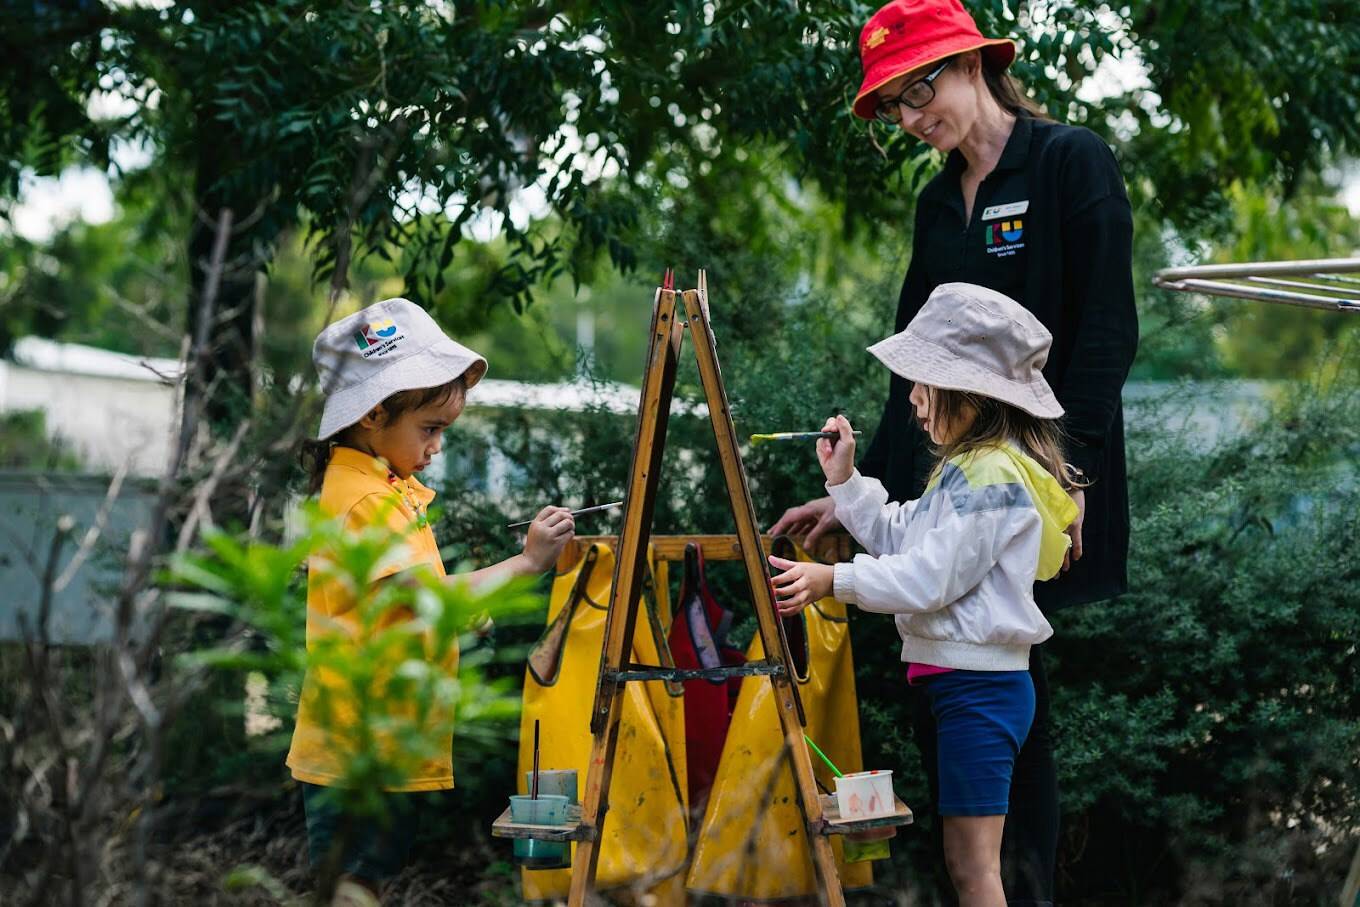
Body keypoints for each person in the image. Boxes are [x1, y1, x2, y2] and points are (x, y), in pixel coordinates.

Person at [770, 2, 1139, 902]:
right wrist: (861, 493)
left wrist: (1071, 470)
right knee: (957, 675)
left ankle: (1014, 888)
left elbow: (1107, 329)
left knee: (1007, 672)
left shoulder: (1068, 161)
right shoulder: (939, 200)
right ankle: (984, 887)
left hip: (1041, 478)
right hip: (949, 482)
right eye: (893, 104)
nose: (908, 116)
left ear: (975, 63)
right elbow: (915, 365)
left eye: (917, 88)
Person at [769, 282, 1079, 907]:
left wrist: (835, 581)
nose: (911, 395)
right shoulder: (967, 470)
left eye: (923, 379)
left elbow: (928, 579)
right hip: (962, 687)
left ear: (970, 393)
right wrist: (846, 480)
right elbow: (898, 535)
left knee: (975, 868)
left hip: (979, 692)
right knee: (966, 862)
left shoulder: (991, 476)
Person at [286, 298, 576, 907]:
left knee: (364, 878)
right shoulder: (366, 499)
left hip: (381, 739)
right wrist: (525, 563)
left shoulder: (383, 488)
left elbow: (402, 598)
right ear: (372, 414)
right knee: (352, 883)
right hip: (362, 745)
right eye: (430, 429)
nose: (437, 447)